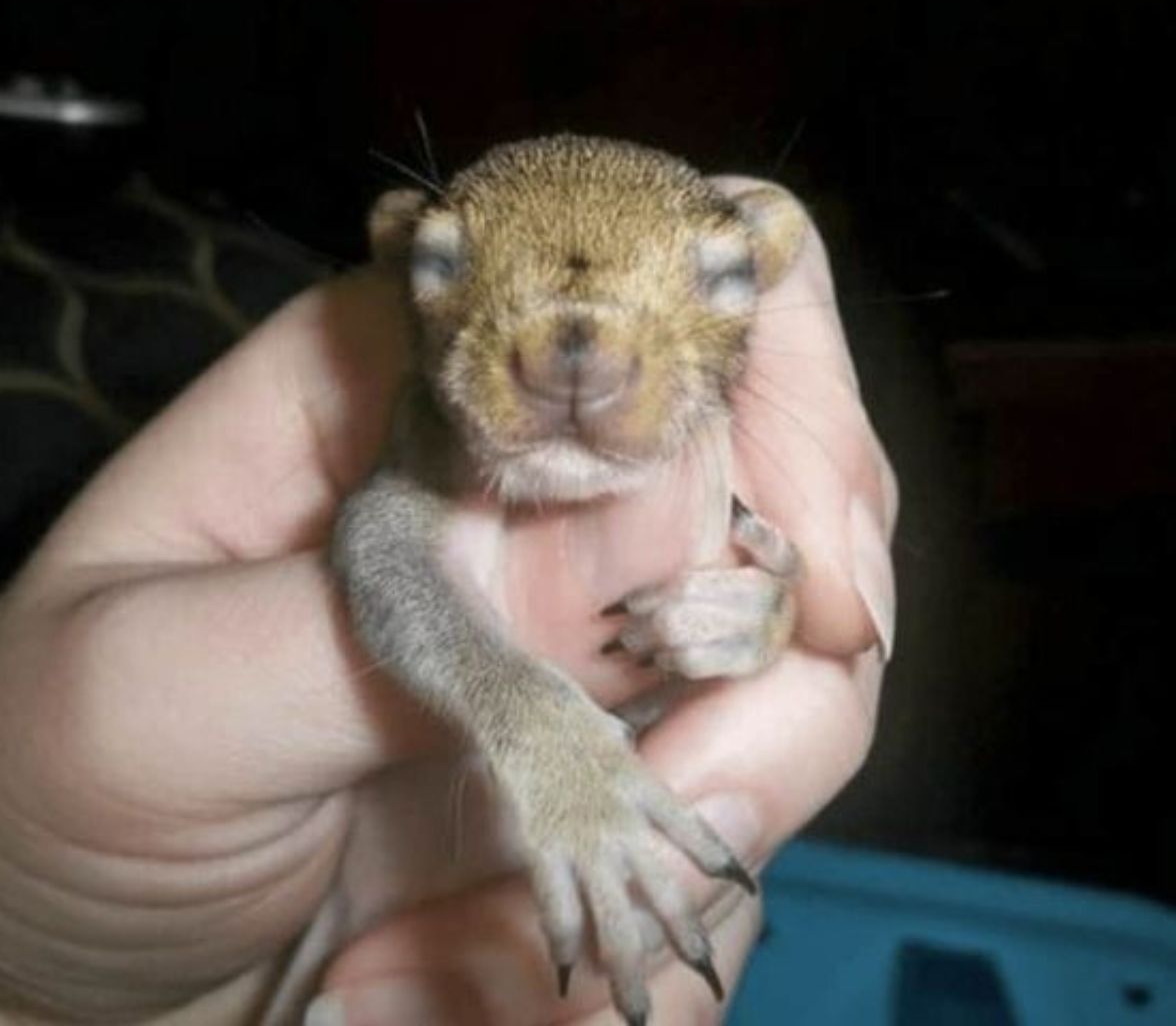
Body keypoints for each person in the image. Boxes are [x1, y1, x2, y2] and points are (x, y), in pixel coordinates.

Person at [0, 179, 896, 1026]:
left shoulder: (725, 500)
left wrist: (756, 622)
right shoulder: (418, 452)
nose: (577, 363)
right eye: (445, 267)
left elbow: (730, 651)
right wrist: (546, 740)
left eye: (723, 277)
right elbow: (385, 563)